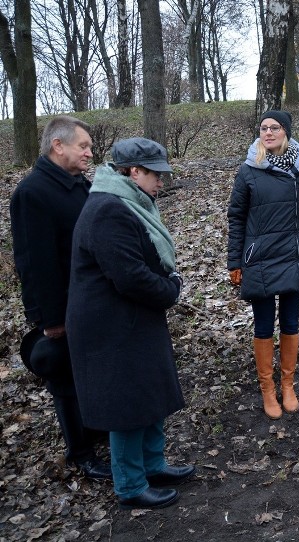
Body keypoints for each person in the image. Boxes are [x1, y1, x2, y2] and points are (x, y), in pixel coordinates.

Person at [66, 138, 195, 510]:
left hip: (131, 319)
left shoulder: (127, 202)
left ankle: (153, 465)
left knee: (148, 394)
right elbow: (130, 276)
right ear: (134, 172)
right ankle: (130, 485)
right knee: (127, 406)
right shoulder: (109, 209)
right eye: (157, 175)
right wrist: (171, 288)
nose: (161, 182)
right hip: (111, 327)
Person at [10, 115, 111, 480]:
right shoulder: (32, 193)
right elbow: (34, 263)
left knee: (90, 371)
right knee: (66, 381)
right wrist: (49, 318)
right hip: (62, 307)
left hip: (89, 300)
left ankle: (96, 431)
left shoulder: (78, 184)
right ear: (58, 146)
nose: (89, 151)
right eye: (83, 146)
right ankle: (81, 453)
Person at [227, 110, 299, 420]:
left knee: (292, 323)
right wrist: (234, 260)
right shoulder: (249, 170)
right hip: (261, 258)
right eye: (264, 128)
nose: (268, 132)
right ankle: (268, 388)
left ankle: (288, 384)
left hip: (294, 255)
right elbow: (236, 217)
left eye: (275, 128)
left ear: (286, 132)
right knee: (265, 325)